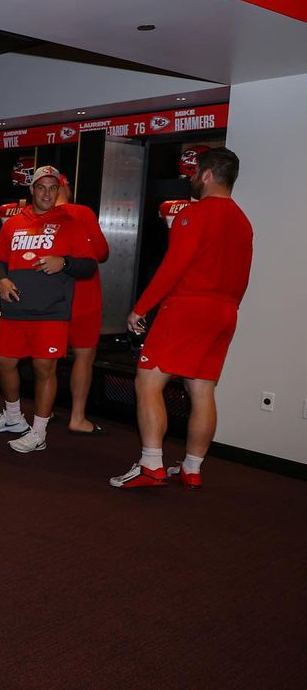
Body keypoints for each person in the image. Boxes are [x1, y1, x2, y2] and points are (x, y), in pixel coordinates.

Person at [110, 147, 252, 490]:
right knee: (202, 389)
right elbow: (243, 276)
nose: (190, 178)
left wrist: (140, 307)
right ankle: (191, 468)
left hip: (188, 308)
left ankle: (151, 465)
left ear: (205, 175)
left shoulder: (195, 214)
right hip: (225, 312)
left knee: (147, 382)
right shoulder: (242, 220)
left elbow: (173, 266)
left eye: (194, 173)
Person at [0, 166, 98, 453]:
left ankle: (39, 432)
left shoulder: (71, 222)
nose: (46, 193)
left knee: (44, 368)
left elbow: (90, 265)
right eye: (41, 187)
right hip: (15, 309)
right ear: (31, 190)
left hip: (51, 312)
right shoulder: (13, 223)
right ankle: (13, 417)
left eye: (52, 187)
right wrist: (2, 279)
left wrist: (65, 263)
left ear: (58, 191)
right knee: (3, 363)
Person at [55, 176, 110, 435]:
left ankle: (43, 411)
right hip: (83, 292)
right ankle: (77, 417)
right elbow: (101, 252)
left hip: (50, 294)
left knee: (46, 356)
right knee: (84, 356)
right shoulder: (82, 212)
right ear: (66, 188)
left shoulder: (33, 216)